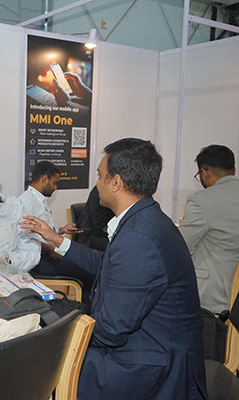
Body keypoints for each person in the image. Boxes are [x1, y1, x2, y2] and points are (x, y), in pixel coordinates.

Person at [21, 138, 206, 399]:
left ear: (116, 182)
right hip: (148, 346)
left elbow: (109, 331)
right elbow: (106, 264)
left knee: (36, 363)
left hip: (150, 365)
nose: (97, 184)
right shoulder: (146, 219)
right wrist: (57, 240)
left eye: (100, 176)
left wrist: (53, 325)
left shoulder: (138, 238)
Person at [19, 161, 94, 303]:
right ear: (44, 179)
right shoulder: (25, 203)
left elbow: (42, 231)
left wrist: (61, 230)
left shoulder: (38, 200)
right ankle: (84, 309)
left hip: (50, 253)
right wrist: (50, 249)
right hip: (39, 260)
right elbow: (24, 238)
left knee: (88, 266)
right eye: (54, 183)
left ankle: (85, 306)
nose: (55, 188)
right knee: (88, 271)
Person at [180, 144, 239, 313]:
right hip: (234, 297)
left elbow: (181, 246)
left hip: (211, 300)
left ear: (205, 172)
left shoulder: (201, 201)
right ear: (234, 171)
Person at [75, 186, 114, 251]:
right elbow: (99, 226)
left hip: (107, 233)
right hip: (90, 236)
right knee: (119, 246)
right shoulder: (100, 191)